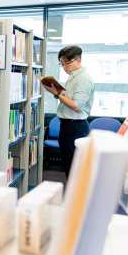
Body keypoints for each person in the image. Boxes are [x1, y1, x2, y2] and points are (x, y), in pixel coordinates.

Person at [44, 45, 95, 178]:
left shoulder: (83, 79)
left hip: (76, 127)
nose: (65, 67)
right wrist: (58, 93)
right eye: (62, 64)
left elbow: (76, 105)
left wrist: (56, 94)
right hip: (67, 125)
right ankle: (70, 196)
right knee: (68, 164)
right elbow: (68, 99)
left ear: (78, 60)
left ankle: (74, 198)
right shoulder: (73, 77)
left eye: (67, 63)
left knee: (74, 167)